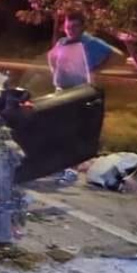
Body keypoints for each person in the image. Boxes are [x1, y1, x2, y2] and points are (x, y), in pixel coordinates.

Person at [46, 10, 124, 183]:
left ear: (82, 27)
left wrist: (96, 69)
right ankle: (59, 166)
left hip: (79, 92)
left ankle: (71, 169)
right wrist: (55, 70)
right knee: (58, 129)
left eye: (74, 26)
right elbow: (51, 56)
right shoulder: (63, 41)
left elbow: (118, 57)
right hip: (61, 91)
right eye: (68, 26)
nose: (70, 30)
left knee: (72, 131)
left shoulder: (89, 42)